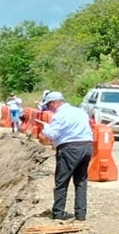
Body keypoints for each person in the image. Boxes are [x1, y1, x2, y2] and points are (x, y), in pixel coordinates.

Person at [38, 91, 93, 221]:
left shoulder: (59, 115)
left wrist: (45, 128)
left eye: (49, 105)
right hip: (86, 147)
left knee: (61, 181)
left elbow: (52, 134)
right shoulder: (80, 112)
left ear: (54, 102)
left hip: (69, 149)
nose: (49, 108)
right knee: (81, 181)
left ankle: (58, 213)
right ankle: (81, 213)